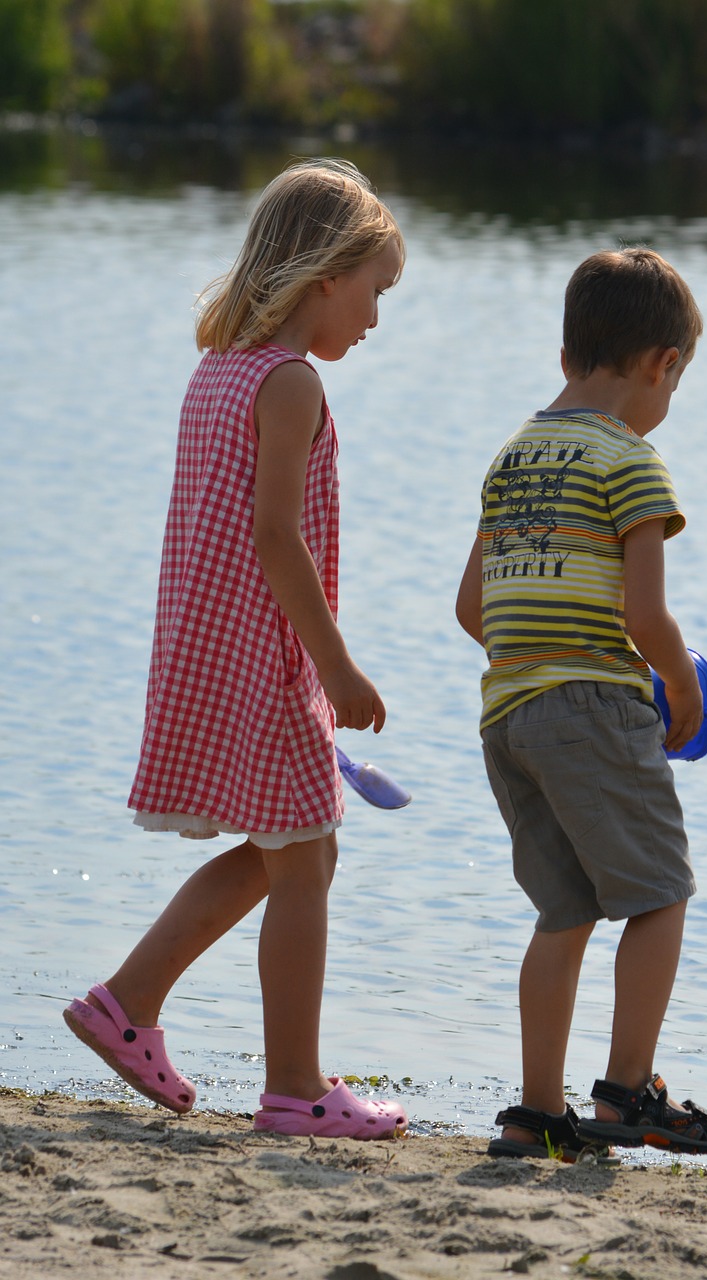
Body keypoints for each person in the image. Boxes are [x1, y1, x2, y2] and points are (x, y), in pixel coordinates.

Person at [63, 158, 408, 1141]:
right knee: (306, 857)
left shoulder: (220, 368)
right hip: (263, 653)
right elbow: (271, 534)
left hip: (204, 644)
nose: (375, 319)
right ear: (324, 275)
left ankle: (126, 1001)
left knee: (285, 848)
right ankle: (295, 1088)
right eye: (374, 292)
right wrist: (335, 665)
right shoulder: (290, 381)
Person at [455, 248, 707, 1159]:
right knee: (659, 894)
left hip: (508, 713)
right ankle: (624, 1095)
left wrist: (536, 661)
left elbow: (472, 609)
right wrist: (680, 685)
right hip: (594, 706)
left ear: (570, 347)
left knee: (562, 911)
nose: (670, 399)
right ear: (661, 363)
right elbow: (643, 613)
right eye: (677, 379)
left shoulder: (512, 455)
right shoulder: (631, 460)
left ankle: (535, 1112)